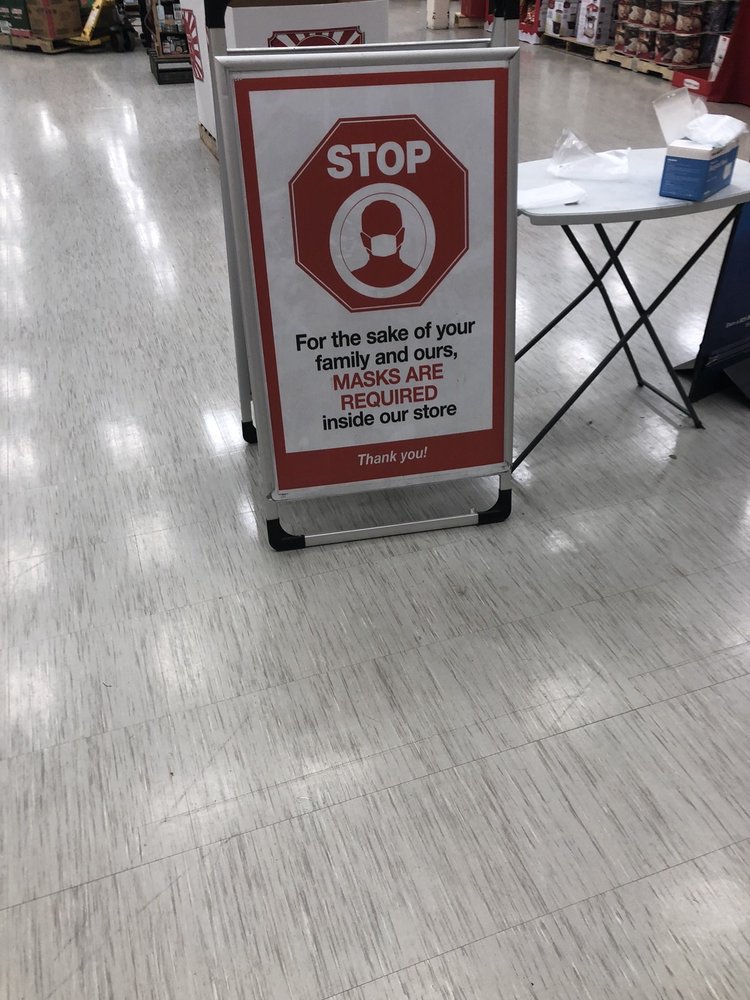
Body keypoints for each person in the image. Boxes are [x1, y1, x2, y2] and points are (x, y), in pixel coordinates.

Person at [351, 200, 415, 287]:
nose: (384, 240)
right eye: (376, 231)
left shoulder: (353, 280)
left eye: (389, 231)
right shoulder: (416, 277)